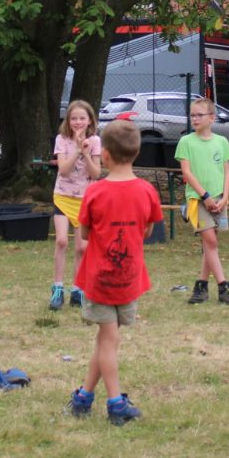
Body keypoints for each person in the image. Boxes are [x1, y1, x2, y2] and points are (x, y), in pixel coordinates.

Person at [67, 120, 164, 425]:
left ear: (105, 155)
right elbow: (148, 230)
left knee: (106, 339)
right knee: (109, 338)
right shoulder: (147, 191)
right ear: (136, 153)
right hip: (128, 278)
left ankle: (89, 398)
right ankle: (112, 401)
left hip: (100, 279)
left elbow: (84, 234)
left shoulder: (95, 192)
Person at [176, 97, 229, 306]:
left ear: (212, 118)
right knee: (211, 242)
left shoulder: (221, 142)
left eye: (199, 115)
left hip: (218, 199)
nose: (195, 119)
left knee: (211, 243)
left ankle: (201, 286)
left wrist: (225, 197)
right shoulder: (186, 142)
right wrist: (205, 197)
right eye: (192, 115)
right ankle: (224, 287)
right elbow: (187, 173)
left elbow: (226, 172)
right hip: (198, 200)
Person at [48, 100, 102, 311]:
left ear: (89, 120)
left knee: (82, 247)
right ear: (68, 121)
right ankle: (57, 288)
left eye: (82, 118)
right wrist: (77, 150)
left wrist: (86, 152)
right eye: (74, 118)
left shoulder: (95, 140)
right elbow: (63, 170)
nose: (78, 122)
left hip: (85, 199)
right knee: (61, 241)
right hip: (63, 196)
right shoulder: (61, 139)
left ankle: (78, 289)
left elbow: (96, 173)